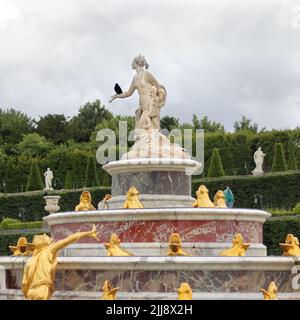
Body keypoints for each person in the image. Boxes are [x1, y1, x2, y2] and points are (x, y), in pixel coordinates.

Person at [21, 225, 99, 300]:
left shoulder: (29, 262)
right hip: (43, 289)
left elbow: (24, 283)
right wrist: (88, 233)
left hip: (30, 292)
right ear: (46, 243)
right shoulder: (49, 250)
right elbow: (69, 239)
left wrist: (26, 294)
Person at [109, 54, 167, 133]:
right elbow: (128, 93)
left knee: (142, 127)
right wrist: (117, 96)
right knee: (141, 130)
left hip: (150, 104)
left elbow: (158, 86)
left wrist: (158, 98)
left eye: (132, 62)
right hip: (142, 106)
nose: (131, 64)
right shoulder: (135, 78)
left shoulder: (146, 74)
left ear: (137, 63)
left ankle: (154, 141)